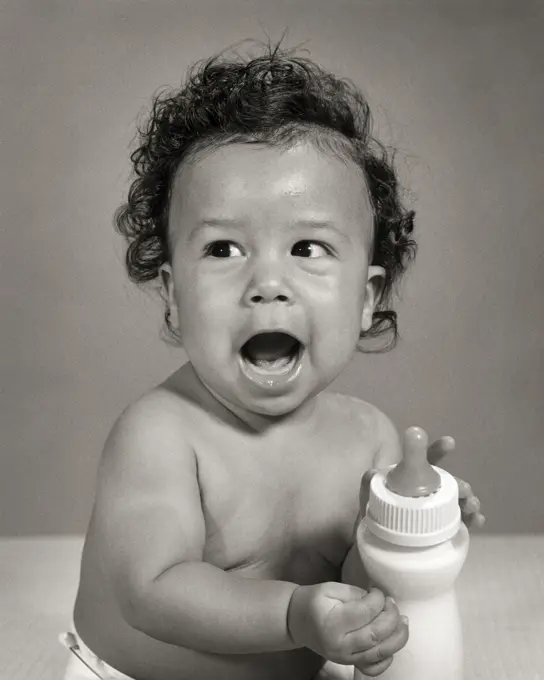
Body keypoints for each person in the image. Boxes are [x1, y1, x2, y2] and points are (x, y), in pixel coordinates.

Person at [61, 43, 485, 680]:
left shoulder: (368, 436)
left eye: (308, 246)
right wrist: (294, 615)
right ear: (174, 297)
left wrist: (406, 530)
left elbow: (355, 593)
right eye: (224, 247)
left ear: (366, 299)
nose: (267, 282)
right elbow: (150, 590)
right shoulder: (161, 434)